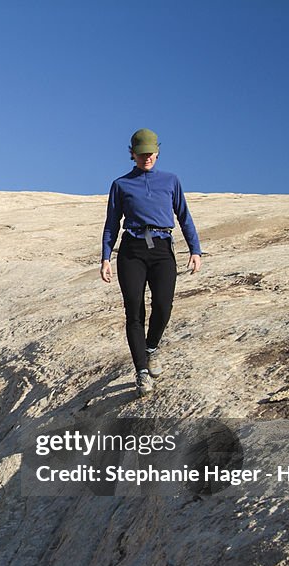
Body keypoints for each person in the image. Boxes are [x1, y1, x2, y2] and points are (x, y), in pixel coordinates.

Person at [100, 128, 202, 397]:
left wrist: (195, 249)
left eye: (150, 153)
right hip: (132, 250)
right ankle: (142, 372)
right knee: (134, 310)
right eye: (141, 153)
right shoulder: (121, 185)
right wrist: (105, 257)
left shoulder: (171, 181)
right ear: (132, 154)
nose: (146, 158)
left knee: (163, 305)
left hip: (161, 248)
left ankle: (151, 348)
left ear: (157, 152)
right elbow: (112, 224)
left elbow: (184, 216)